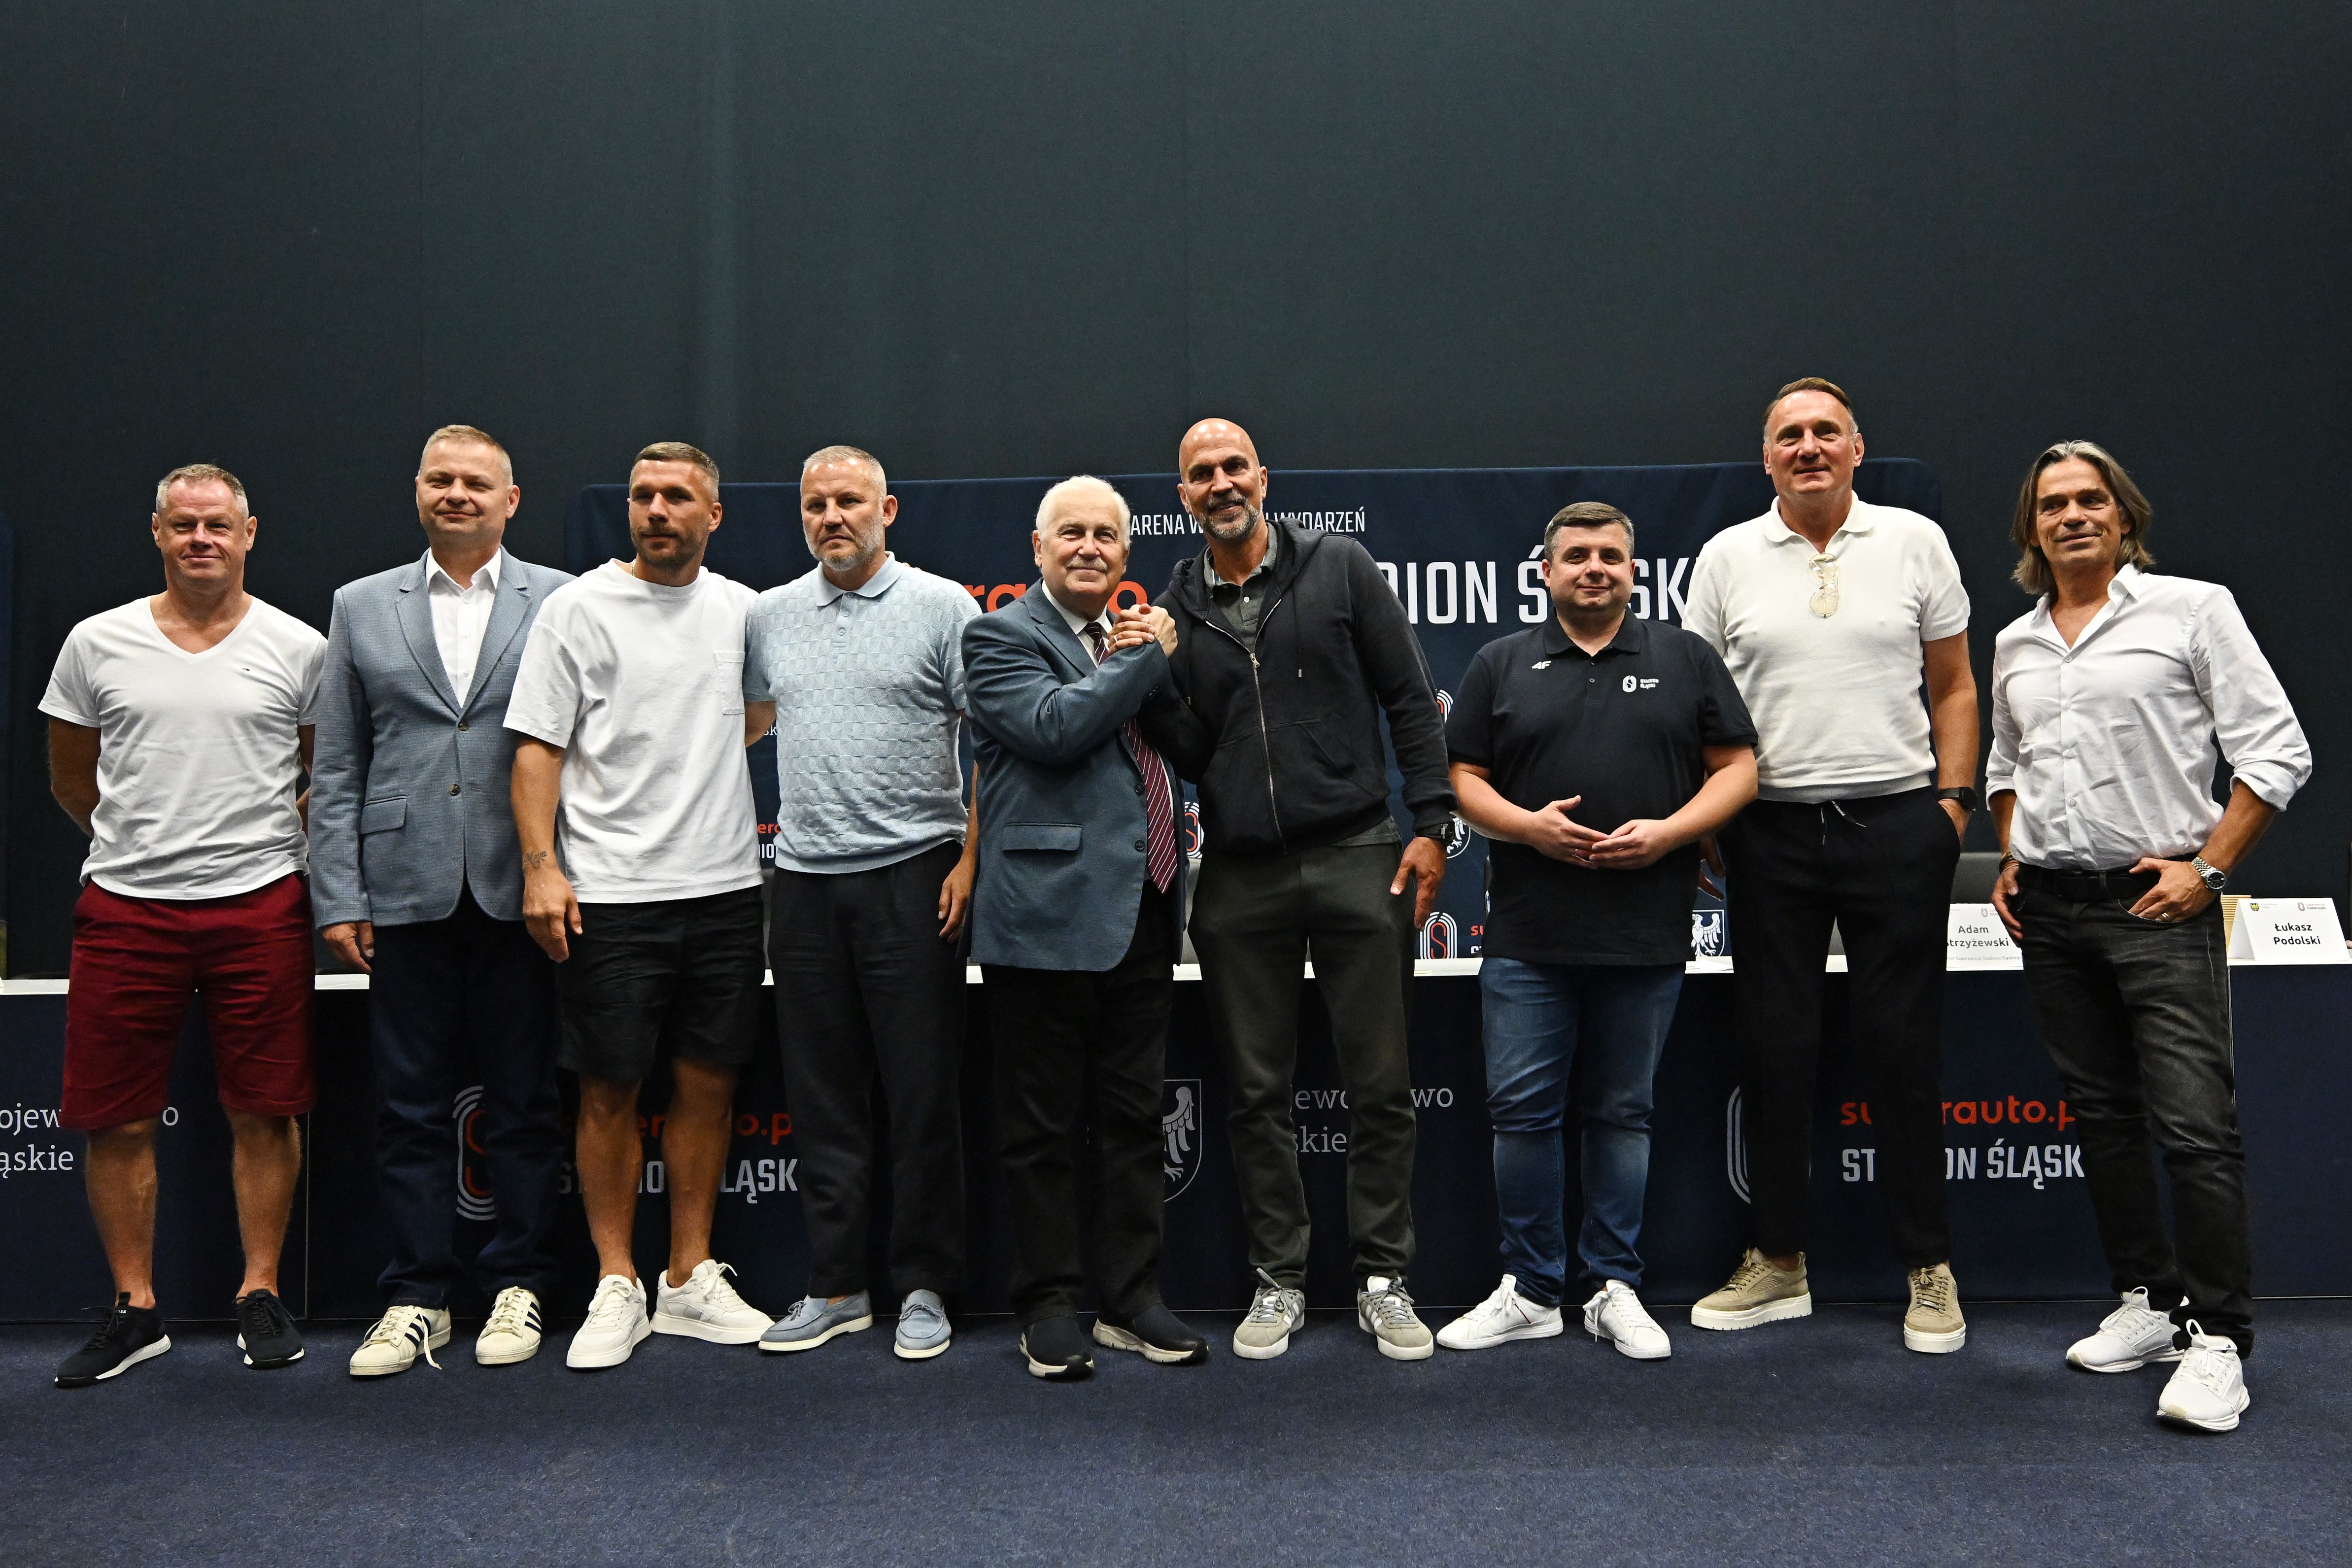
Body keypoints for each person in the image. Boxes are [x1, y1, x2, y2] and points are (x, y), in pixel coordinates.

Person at [1986, 441, 2308, 1432]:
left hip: (2154, 906)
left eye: (2090, 500)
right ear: (2031, 528)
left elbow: (2276, 748)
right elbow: (2006, 763)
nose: (2071, 515)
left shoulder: (2192, 610)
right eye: (2052, 504)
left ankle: (2218, 1342)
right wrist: (2012, 852)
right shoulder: (2014, 642)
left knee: (2193, 1128)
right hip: (2048, 910)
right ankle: (2149, 1302)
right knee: (2103, 1117)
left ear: (2123, 519)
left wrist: (2206, 870)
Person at [1682, 377, 1979, 1353]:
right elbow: (1702, 711)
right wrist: (1711, 823)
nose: (1806, 448)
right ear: (1765, 458)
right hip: (1768, 830)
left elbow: (1954, 685)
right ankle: (1776, 1259)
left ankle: (1926, 1268)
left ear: (1855, 448)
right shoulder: (1727, 557)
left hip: (1897, 822)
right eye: (1786, 436)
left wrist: (1951, 803)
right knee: (1773, 1047)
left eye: (1823, 433)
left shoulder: (1912, 540)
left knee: (1901, 1047)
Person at [1152, 417, 1453, 1363]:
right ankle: (1277, 1280)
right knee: (1252, 1092)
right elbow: (1193, 752)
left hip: (1358, 849)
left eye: (1233, 466)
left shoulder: (1340, 565)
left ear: (1263, 477)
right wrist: (1155, 678)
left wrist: (1433, 823)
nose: (1220, 482)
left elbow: (1409, 697)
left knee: (1381, 1085)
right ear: (1184, 498)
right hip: (1239, 873)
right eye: (1201, 474)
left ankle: (1383, 1279)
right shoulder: (1178, 605)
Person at [1439, 503, 1757, 1361]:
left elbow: (1739, 768)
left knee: (1623, 1113)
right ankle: (1532, 1289)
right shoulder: (1500, 662)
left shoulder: (1684, 658)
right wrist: (1525, 826)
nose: (1593, 568)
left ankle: (1613, 1284)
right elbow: (1459, 776)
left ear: (1633, 571)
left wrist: (1673, 831)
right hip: (1525, 936)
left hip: (1644, 931)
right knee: (1522, 1114)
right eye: (1575, 556)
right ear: (1542, 571)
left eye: (1610, 556)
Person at [45, 465, 325, 1387]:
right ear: (157, 532)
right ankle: (137, 1309)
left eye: (218, 525)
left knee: (266, 1106)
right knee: (114, 1114)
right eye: (183, 525)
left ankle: (260, 1291)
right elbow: (71, 781)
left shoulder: (300, 647)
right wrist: (145, 851)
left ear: (251, 533)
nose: (201, 539)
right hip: (128, 909)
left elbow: (323, 777)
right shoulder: (97, 642)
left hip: (260, 904)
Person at [506, 441, 775, 1370]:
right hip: (611, 895)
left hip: (728, 888)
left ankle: (687, 1276)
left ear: (713, 514)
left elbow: (756, 716)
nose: (657, 510)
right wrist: (542, 867)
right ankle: (616, 1281)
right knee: (609, 1089)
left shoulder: (744, 611)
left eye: (677, 497)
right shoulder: (576, 607)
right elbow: (537, 748)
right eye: (643, 496)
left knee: (708, 1081)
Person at [310, 426, 573, 1376]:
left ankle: (522, 1282)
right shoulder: (360, 604)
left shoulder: (564, 598)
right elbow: (337, 762)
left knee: (526, 1099)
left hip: (523, 887)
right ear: (417, 491)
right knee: (410, 1105)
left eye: (476, 482)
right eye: (440, 480)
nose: (457, 494)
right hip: (402, 886)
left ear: (512, 499)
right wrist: (337, 890)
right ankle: (417, 1292)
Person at [962, 476, 1209, 1380]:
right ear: (1037, 548)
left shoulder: (1129, 644)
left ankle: (1132, 1299)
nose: (1089, 548)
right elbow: (1057, 728)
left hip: (1146, 906)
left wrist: (1158, 665)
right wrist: (1145, 659)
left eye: (1107, 535)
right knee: (1041, 1127)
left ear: (1125, 554)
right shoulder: (997, 637)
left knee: (1134, 1118)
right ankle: (1048, 1304)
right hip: (1042, 917)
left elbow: (1186, 748)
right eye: (1071, 533)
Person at [746, 445, 979, 1362]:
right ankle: (836, 1286)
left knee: (922, 1095)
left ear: (889, 508)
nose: (831, 517)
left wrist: (969, 855)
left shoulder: (943, 605)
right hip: (801, 883)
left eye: (849, 501)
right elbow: (749, 719)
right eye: (815, 504)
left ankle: (923, 1284)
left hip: (915, 876)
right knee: (823, 1095)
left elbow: (989, 743)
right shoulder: (769, 615)